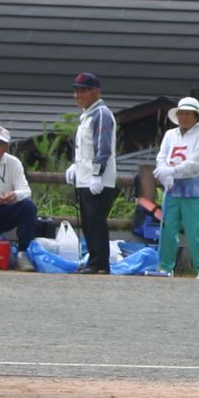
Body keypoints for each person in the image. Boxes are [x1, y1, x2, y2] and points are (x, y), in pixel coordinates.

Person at [154, 97, 199, 279]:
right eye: (181, 113)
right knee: (168, 229)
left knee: (196, 230)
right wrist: (164, 172)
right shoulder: (170, 134)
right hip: (172, 189)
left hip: (196, 190)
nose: (184, 117)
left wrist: (172, 171)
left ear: (196, 116)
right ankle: (165, 266)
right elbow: (161, 156)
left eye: (188, 114)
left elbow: (196, 162)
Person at [69, 72, 117, 274]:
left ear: (96, 92)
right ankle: (93, 261)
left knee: (96, 221)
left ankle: (100, 264)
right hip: (84, 177)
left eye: (83, 90)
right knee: (88, 222)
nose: (78, 95)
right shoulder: (87, 116)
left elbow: (102, 148)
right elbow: (85, 148)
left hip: (97, 179)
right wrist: (75, 166)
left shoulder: (101, 114)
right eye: (77, 90)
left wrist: (97, 173)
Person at [0, 126, 37, 271]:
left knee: (28, 206)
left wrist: (14, 195)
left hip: (5, 210)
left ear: (6, 147)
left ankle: (22, 253)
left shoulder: (14, 163)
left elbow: (26, 191)